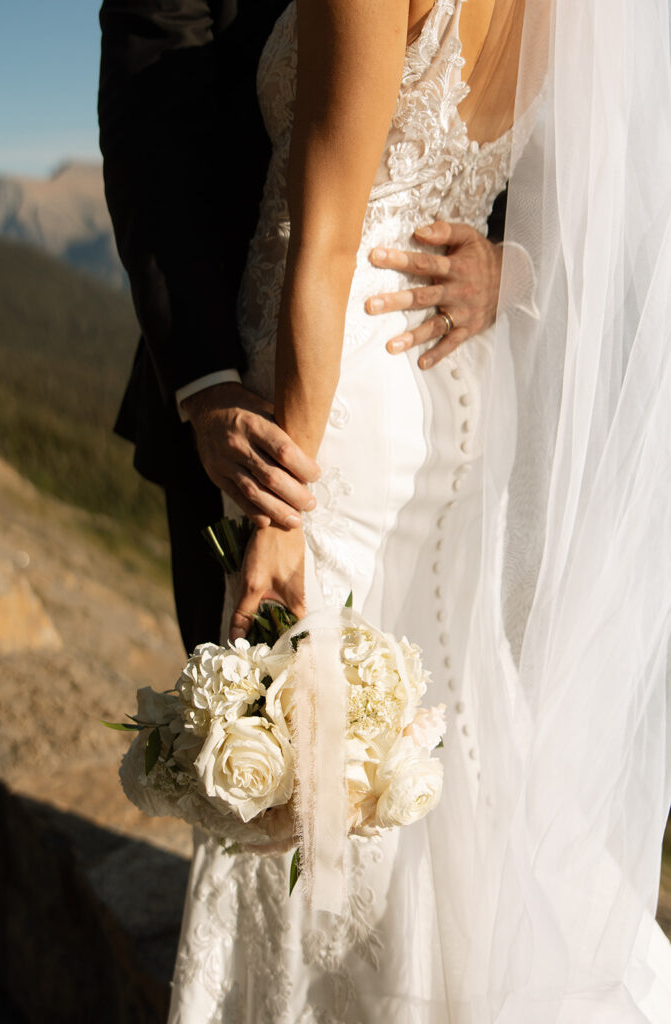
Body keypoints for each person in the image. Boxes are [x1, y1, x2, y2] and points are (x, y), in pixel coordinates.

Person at [102, 0, 671, 1020]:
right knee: (445, 746)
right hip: (452, 395)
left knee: (314, 769)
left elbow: (326, 245)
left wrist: (279, 522)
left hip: (333, 406)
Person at [98, 0, 507, 657]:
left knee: (286, 710)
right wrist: (206, 388)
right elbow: (152, 139)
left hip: (325, 412)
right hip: (243, 407)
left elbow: (326, 246)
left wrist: (503, 266)